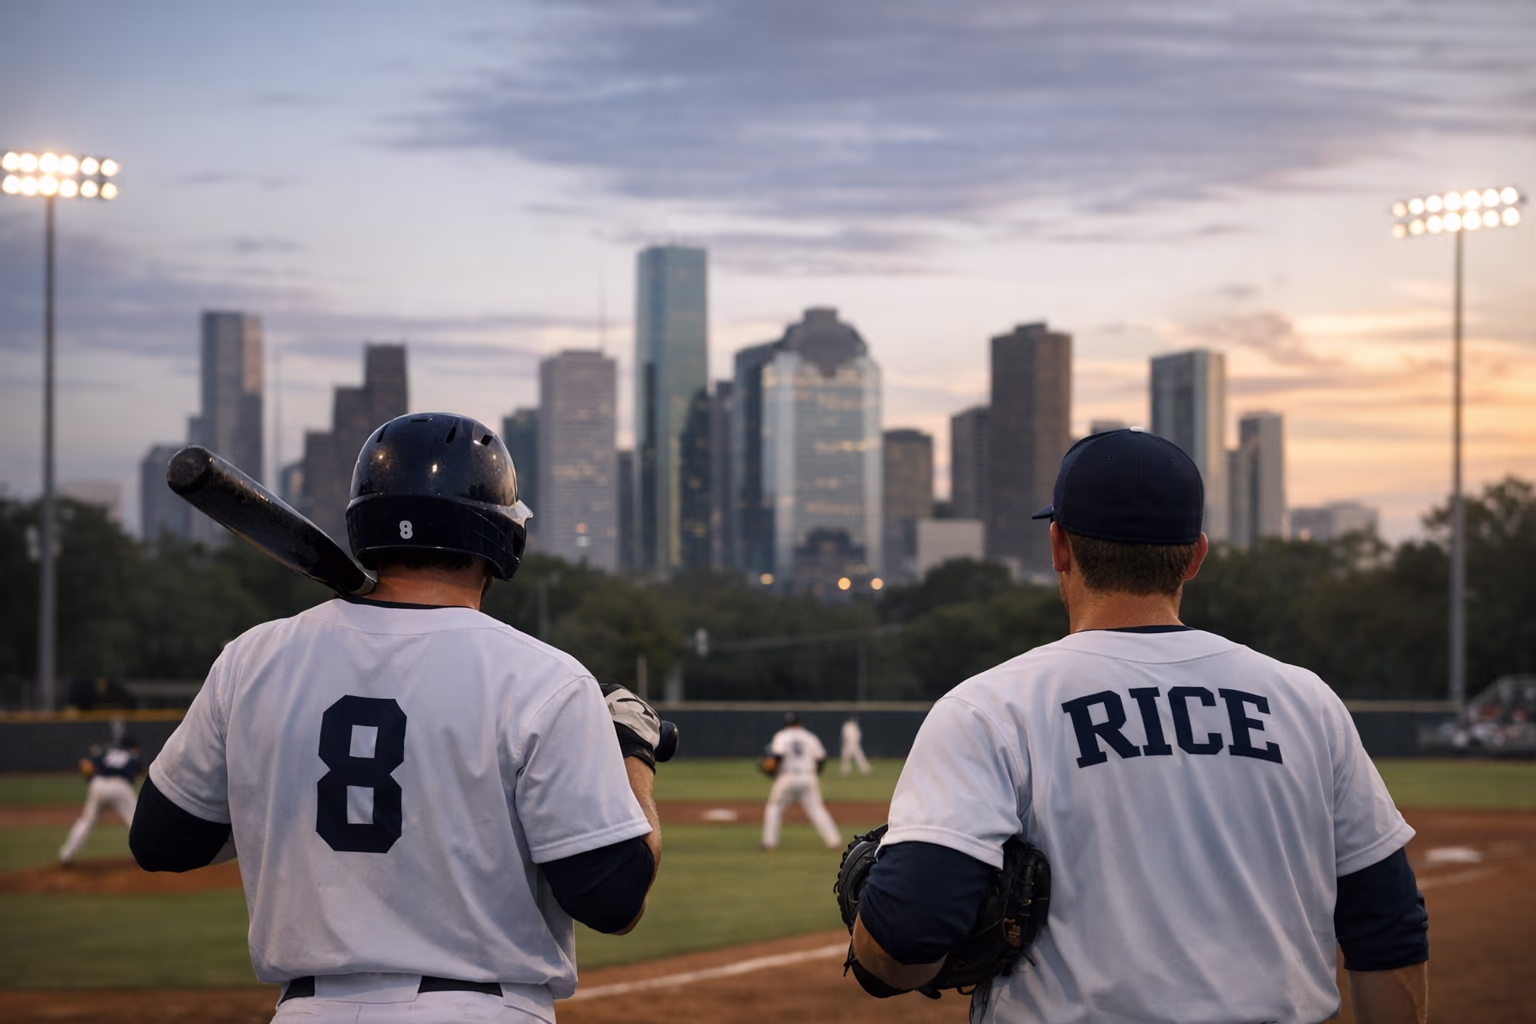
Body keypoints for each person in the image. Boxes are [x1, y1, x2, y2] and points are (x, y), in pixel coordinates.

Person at [848, 429, 1429, 1023]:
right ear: (1197, 555)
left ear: (1059, 547)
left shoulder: (989, 709)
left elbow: (907, 939)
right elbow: (1388, 928)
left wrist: (873, 949)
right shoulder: (1307, 702)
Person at [129, 413, 665, 1024]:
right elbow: (615, 901)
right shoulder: (544, 678)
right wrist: (632, 749)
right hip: (480, 1011)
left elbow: (161, 842)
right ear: (502, 538)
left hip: (306, 1012)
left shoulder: (252, 659)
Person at [762, 712, 842, 850]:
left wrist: (769, 770)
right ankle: (834, 842)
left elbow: (776, 758)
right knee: (817, 809)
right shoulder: (810, 737)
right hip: (808, 776)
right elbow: (821, 759)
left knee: (774, 808)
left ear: (786, 724)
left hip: (787, 776)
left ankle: (769, 843)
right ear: (800, 723)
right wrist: (814, 774)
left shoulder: (782, 736)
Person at [59, 735, 141, 865]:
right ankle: (141, 854)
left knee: (87, 820)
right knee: (136, 820)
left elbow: (85, 765)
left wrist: (91, 778)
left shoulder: (106, 751)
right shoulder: (132, 756)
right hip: (120, 785)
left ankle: (66, 855)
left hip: (98, 784)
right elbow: (135, 774)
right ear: (133, 747)